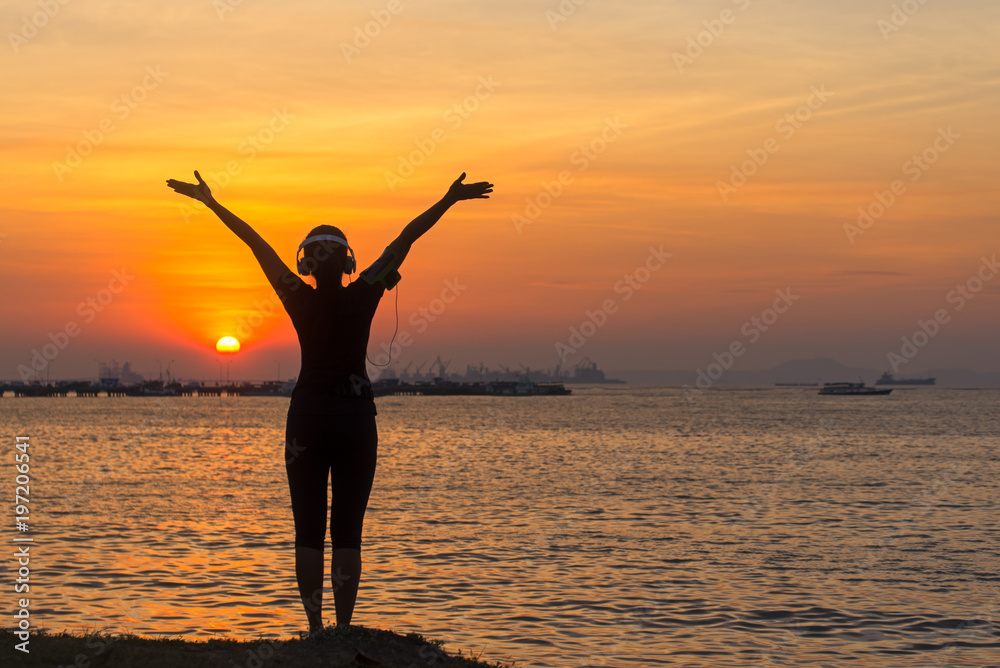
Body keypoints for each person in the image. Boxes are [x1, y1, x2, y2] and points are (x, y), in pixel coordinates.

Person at [165, 170, 493, 633]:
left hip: (307, 419)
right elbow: (407, 238)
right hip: (357, 419)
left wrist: (211, 203)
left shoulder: (296, 296)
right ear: (348, 264)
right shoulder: (366, 290)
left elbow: (254, 243)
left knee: (308, 530)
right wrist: (449, 199)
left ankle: (315, 629)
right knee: (348, 532)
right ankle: (342, 628)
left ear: (306, 265)